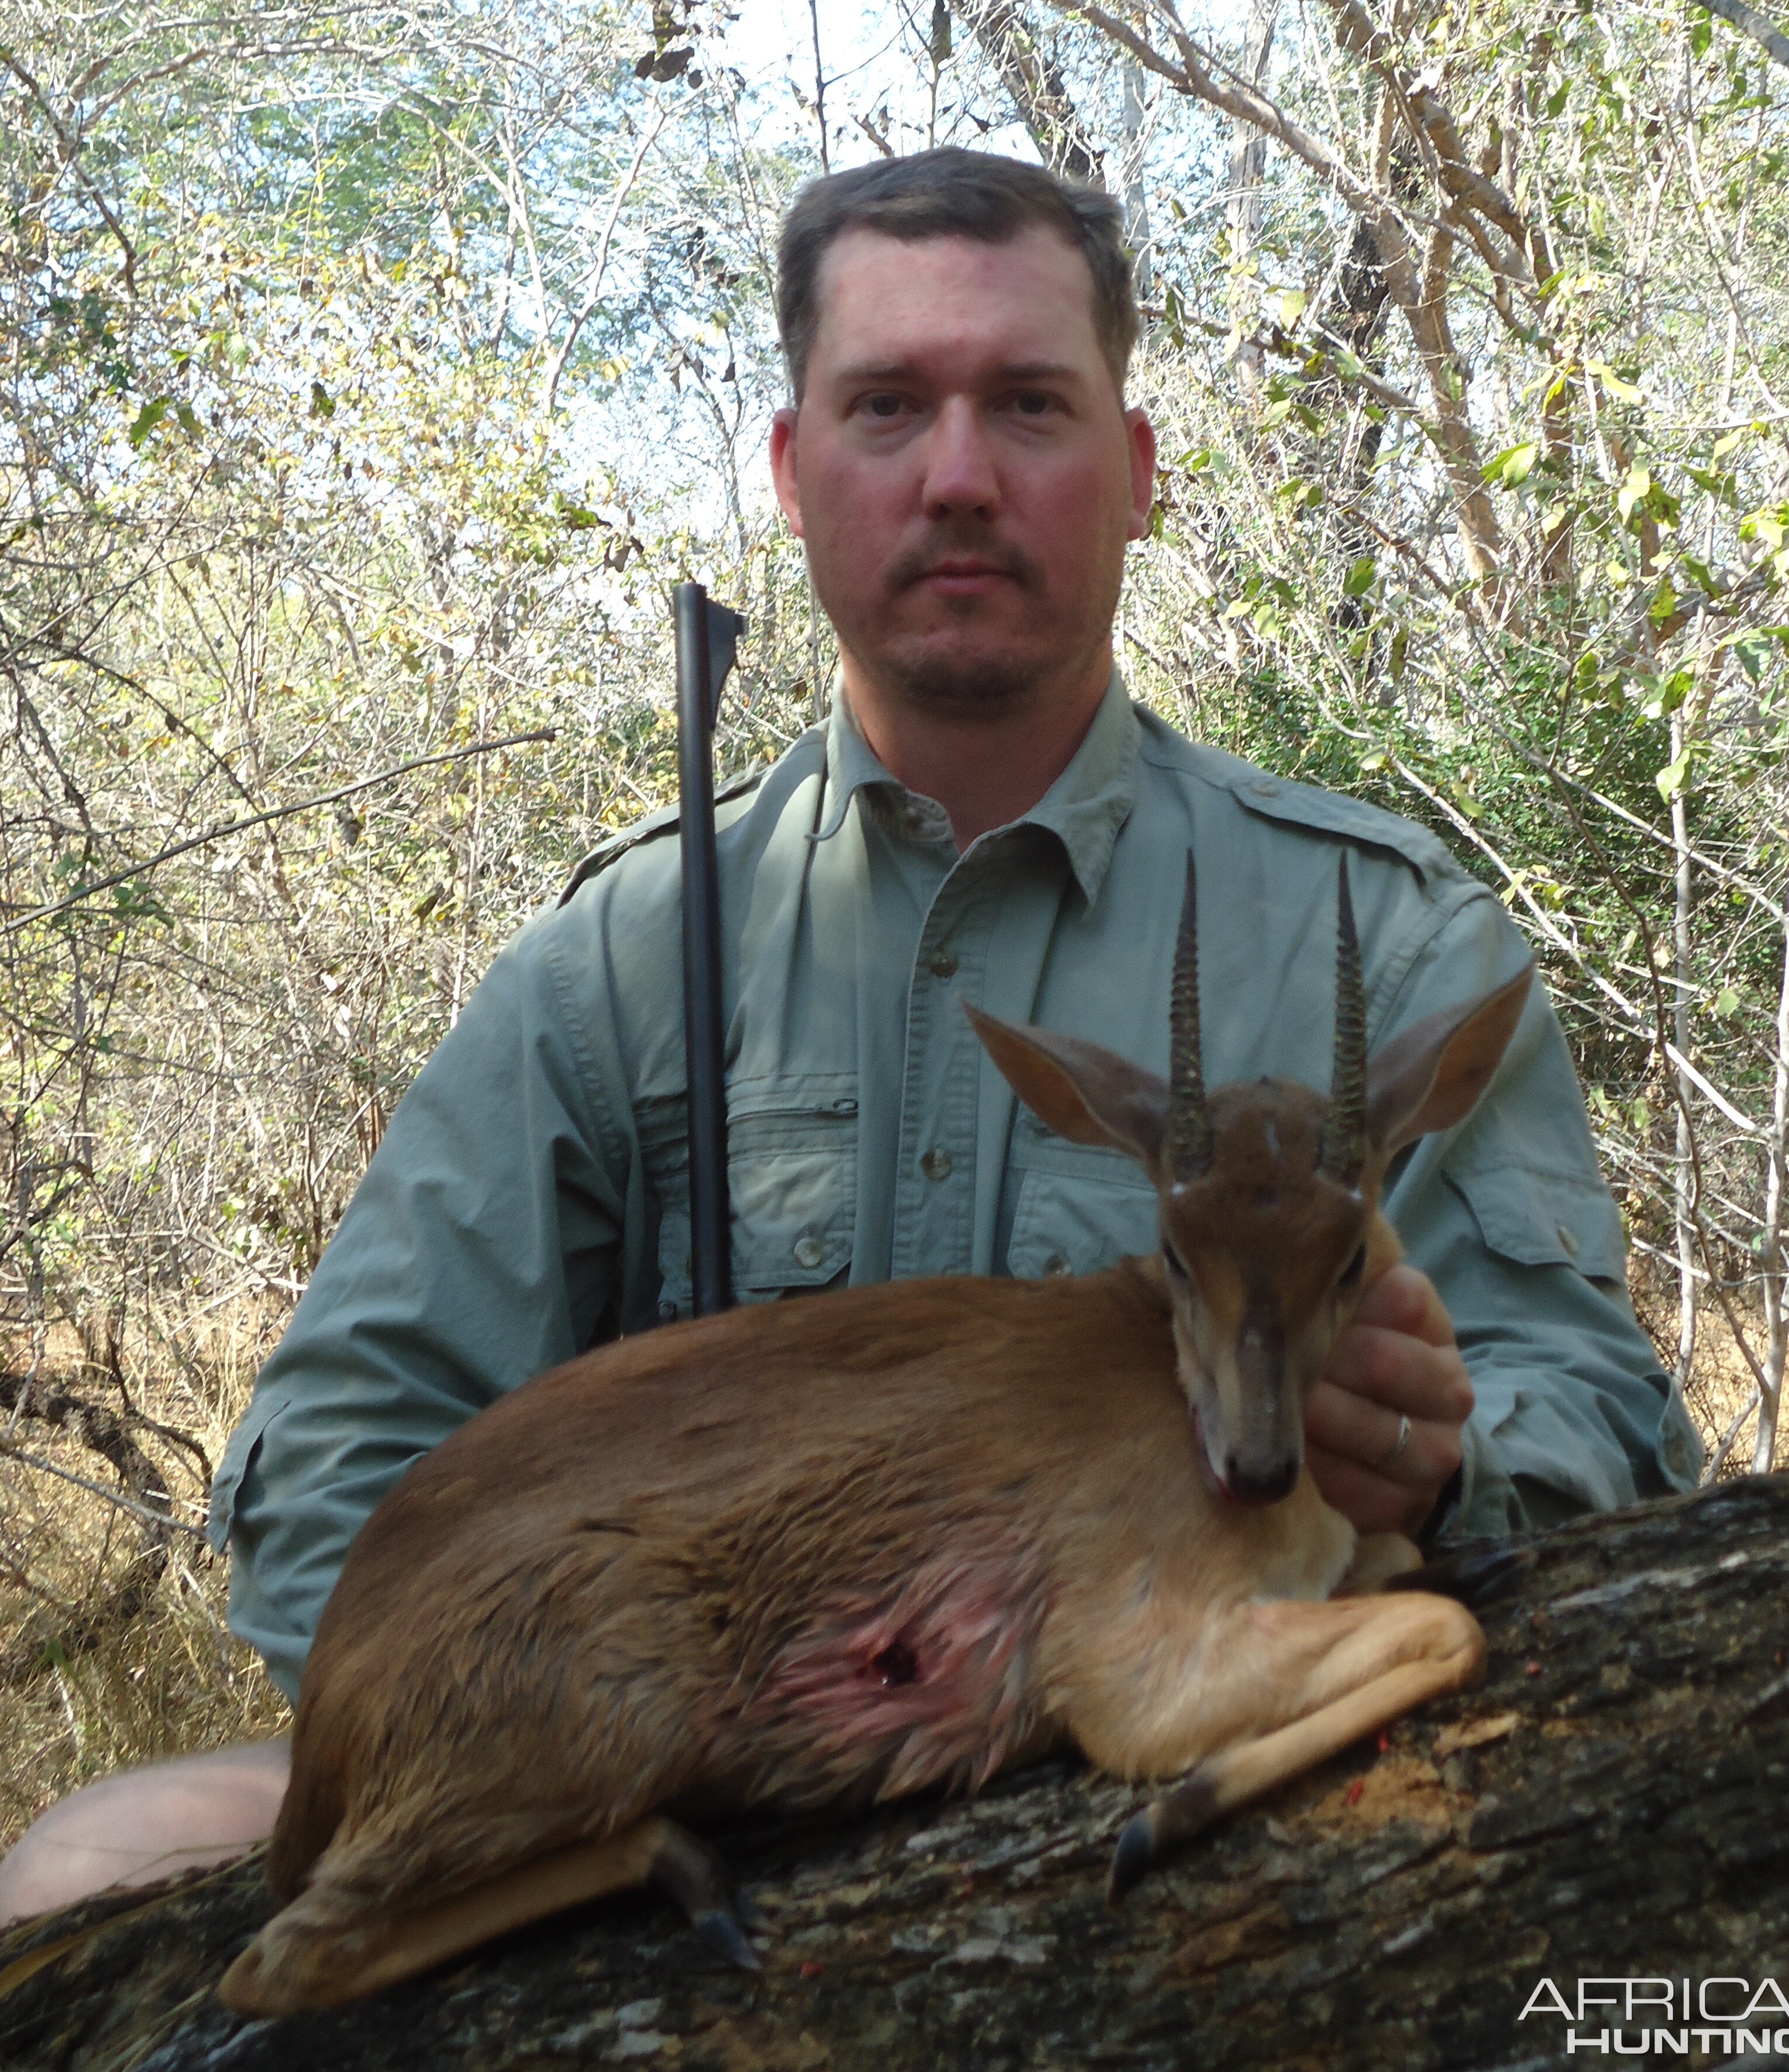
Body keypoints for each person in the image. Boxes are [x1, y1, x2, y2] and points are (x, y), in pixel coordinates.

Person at [0, 147, 1702, 1926]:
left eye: (1030, 405)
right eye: (889, 406)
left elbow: (1595, 1418)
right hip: (697, 1751)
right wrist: (631, 1695)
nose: (958, 476)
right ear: (797, 475)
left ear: (1134, 474)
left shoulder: (1382, 937)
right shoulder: (633, 957)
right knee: (75, 1871)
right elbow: (340, 1455)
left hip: (1194, 1674)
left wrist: (1439, 1464)